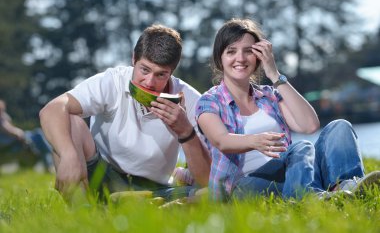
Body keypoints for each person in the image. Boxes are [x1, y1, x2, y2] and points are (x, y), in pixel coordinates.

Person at [195, 18, 380, 201]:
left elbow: (309, 125)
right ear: (220, 58)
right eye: (231, 52)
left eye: (248, 51)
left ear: (259, 56)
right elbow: (221, 141)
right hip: (244, 185)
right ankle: (309, 198)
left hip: (296, 173)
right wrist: (254, 141)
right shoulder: (209, 101)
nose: (240, 58)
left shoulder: (270, 95)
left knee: (340, 127)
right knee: (301, 147)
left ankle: (346, 187)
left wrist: (275, 75)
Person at [39, 24, 211, 201]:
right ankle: (83, 215)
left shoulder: (189, 99)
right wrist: (69, 155)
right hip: (101, 175)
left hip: (155, 189)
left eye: (161, 75)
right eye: (145, 69)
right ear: (134, 59)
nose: (149, 82)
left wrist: (185, 131)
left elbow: (206, 179)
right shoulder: (112, 81)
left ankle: (124, 206)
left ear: (171, 73)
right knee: (70, 122)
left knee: (209, 195)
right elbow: (51, 110)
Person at [0, 99, 53, 170]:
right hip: (12, 143)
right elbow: (11, 131)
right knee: (38, 135)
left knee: (38, 135)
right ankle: (51, 155)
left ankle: (49, 157)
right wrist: (20, 133)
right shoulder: (1, 119)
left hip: (11, 143)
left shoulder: (2, 117)